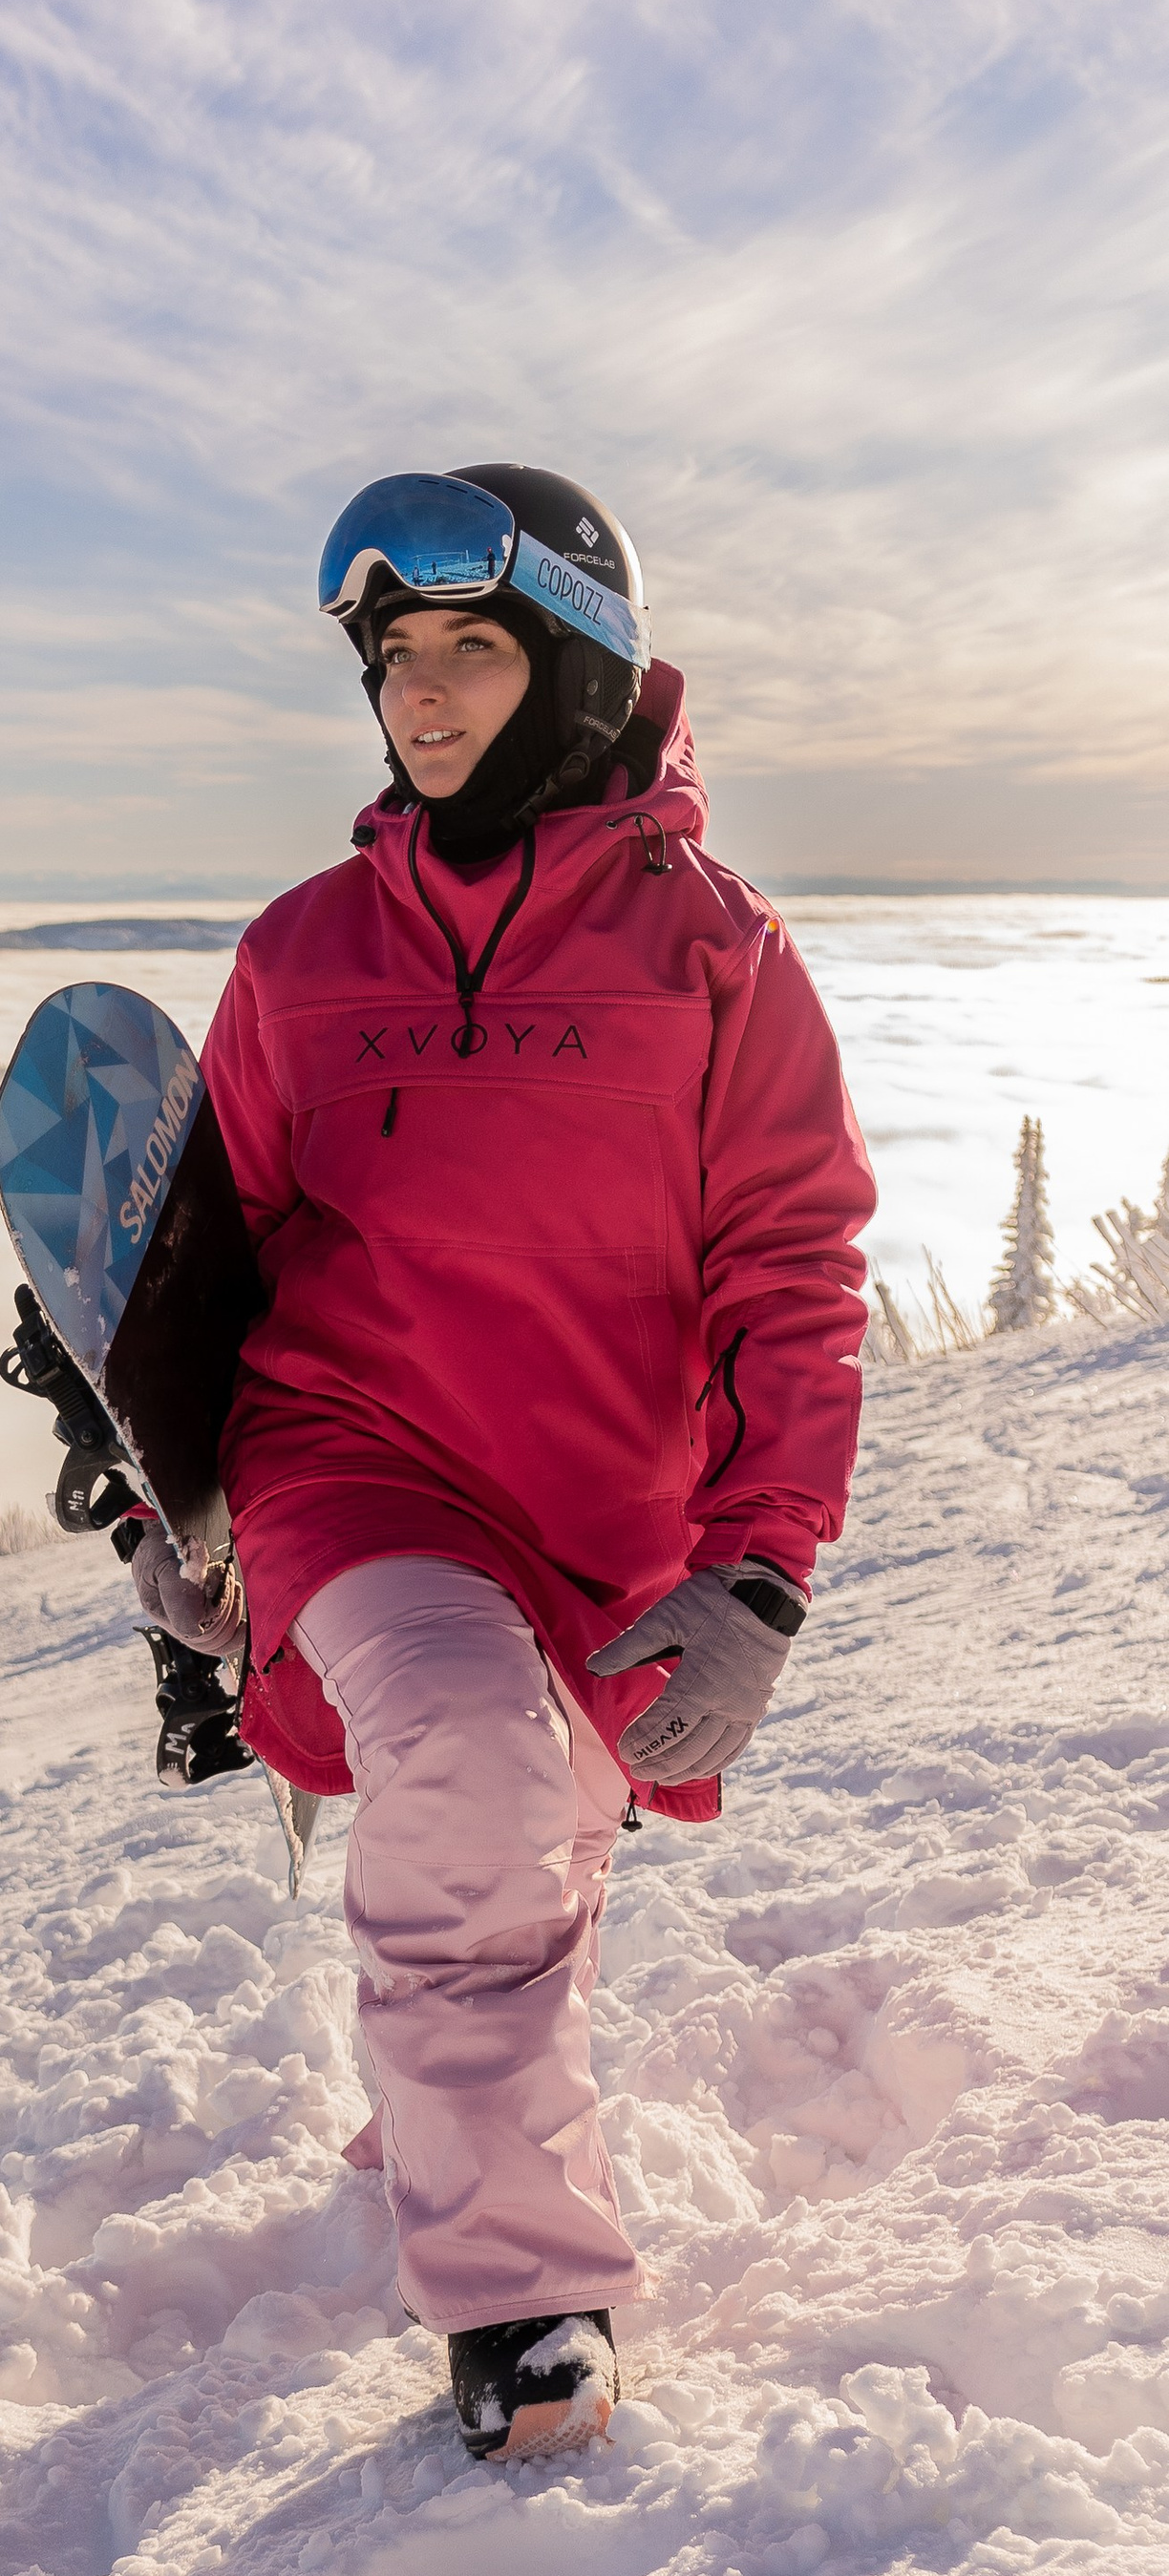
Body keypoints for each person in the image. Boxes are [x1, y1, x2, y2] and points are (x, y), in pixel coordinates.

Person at [130, 462, 872, 2461]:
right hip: (348, 1460)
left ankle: (434, 2109)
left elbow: (787, 1272)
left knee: (540, 1834)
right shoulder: (300, 952)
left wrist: (759, 1564)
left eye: (466, 645)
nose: (422, 695)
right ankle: (518, 2292)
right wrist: (166, 1512)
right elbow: (204, 1262)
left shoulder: (711, 954)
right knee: (459, 1747)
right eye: (392, 659)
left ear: (575, 665)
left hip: (602, 1504)